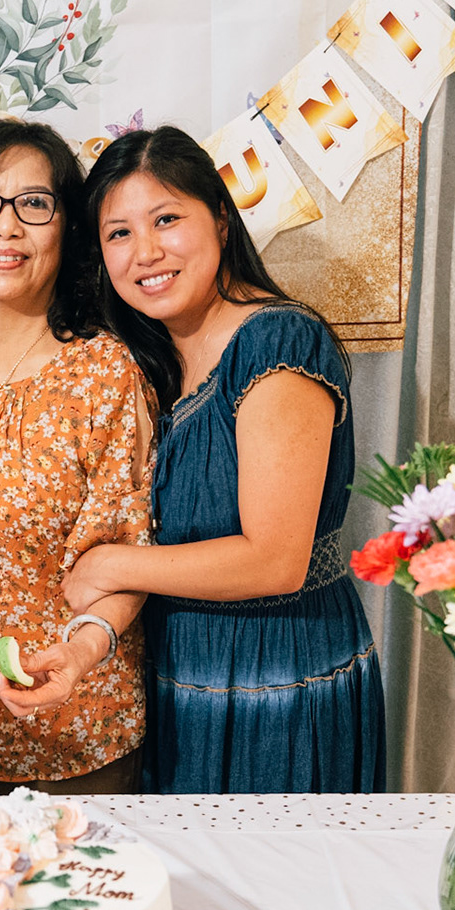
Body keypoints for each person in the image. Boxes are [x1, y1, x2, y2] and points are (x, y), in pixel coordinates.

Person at [64, 126, 385, 794]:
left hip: (280, 676)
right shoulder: (149, 361)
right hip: (183, 678)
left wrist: (109, 565)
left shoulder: (277, 341)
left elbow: (275, 559)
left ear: (219, 216)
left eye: (166, 219)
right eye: (119, 233)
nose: (145, 251)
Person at [0, 119, 156, 795]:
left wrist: (79, 653)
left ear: (68, 230)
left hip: (83, 720)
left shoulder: (103, 374)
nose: (6, 227)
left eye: (34, 204)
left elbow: (127, 549)